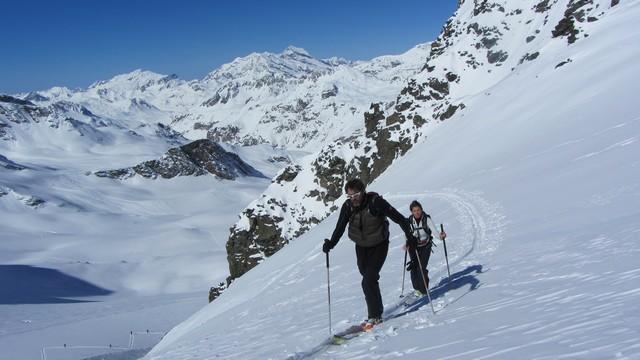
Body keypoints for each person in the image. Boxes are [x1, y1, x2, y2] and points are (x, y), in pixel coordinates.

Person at [322, 179, 419, 330]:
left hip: (379, 245)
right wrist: (331, 243)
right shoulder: (348, 206)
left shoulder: (375, 202)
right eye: (349, 196)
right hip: (361, 246)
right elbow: (340, 226)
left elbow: (400, 219)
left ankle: (374, 316)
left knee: (368, 280)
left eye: (356, 194)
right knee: (367, 276)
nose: (353, 198)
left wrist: (410, 236)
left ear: (363, 192)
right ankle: (377, 312)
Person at [405, 200, 446, 295]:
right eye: (414, 211)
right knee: (414, 268)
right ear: (411, 212)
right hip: (414, 247)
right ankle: (417, 288)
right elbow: (407, 234)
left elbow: (435, 232)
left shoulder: (426, 219)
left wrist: (441, 236)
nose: (417, 212)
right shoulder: (410, 220)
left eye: (418, 210)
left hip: (426, 246)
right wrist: (407, 243)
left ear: (421, 209)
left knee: (421, 268)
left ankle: (423, 290)